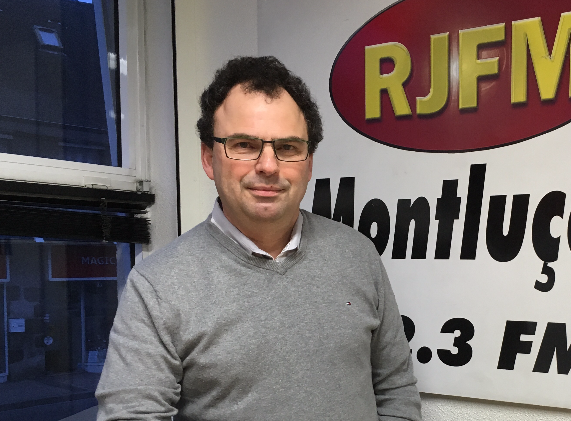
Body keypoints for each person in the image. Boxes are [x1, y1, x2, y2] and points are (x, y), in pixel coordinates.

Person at [95, 56, 421, 420]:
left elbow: (395, 389)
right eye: (245, 145)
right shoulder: (157, 286)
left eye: (288, 147)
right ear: (209, 158)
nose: (268, 166)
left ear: (309, 163)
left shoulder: (358, 256)